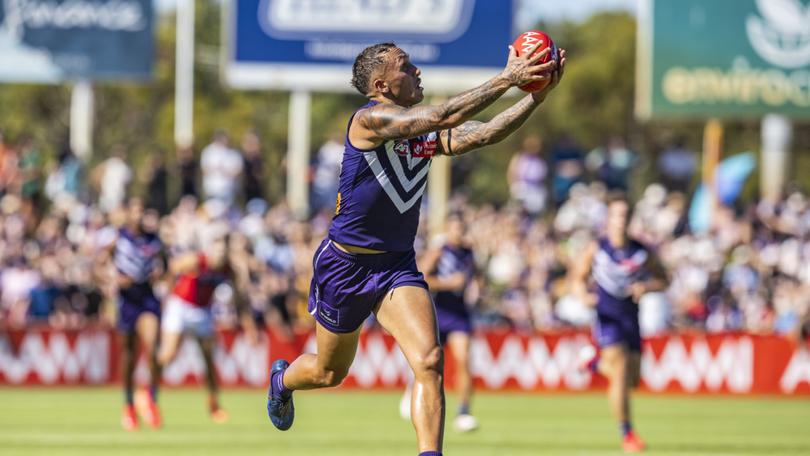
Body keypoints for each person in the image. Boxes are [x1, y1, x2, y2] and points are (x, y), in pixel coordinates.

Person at [266, 41, 565, 456]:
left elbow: (484, 133)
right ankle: (282, 382)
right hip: (345, 266)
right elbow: (442, 115)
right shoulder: (369, 120)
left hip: (396, 265)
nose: (418, 72)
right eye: (407, 67)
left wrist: (534, 98)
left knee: (429, 360)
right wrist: (506, 79)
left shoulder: (421, 135)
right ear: (381, 84)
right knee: (328, 372)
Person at [568, 193, 666, 453]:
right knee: (620, 371)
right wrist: (583, 296)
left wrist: (646, 286)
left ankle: (592, 362)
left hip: (631, 316)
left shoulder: (642, 251)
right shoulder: (597, 248)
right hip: (606, 315)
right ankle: (628, 434)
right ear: (608, 219)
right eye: (616, 215)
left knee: (632, 379)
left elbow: (664, 280)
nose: (620, 220)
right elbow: (577, 278)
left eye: (625, 215)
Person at [157, 235, 255, 423]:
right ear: (209, 250)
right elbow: (172, 268)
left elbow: (240, 299)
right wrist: (168, 297)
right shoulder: (195, 260)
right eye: (216, 251)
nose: (219, 256)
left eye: (222, 252)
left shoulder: (227, 270)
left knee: (209, 362)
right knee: (169, 354)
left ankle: (214, 404)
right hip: (181, 306)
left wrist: (248, 325)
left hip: (203, 311)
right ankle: (149, 394)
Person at [399, 213, 480, 433]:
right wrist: (447, 283)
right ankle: (412, 389)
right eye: (454, 228)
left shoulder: (469, 253)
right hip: (436, 312)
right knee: (429, 361)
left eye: (461, 228)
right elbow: (420, 276)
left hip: (460, 313)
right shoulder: (439, 251)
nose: (458, 232)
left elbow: (475, 278)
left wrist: (476, 289)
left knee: (464, 360)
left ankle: (464, 411)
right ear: (447, 229)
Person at [113, 198, 164, 431]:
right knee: (129, 355)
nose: (138, 215)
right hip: (127, 300)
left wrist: (160, 274)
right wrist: (112, 280)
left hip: (147, 297)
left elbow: (165, 265)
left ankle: (151, 399)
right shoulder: (118, 237)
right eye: (134, 210)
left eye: (141, 210)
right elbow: (98, 264)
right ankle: (129, 405)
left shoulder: (153, 239)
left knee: (153, 348)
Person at [507, 135, 548, 216]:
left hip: (535, 190)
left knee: (534, 212)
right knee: (518, 211)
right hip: (522, 187)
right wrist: (514, 187)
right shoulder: (519, 158)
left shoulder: (539, 161)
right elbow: (511, 173)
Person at [200, 131, 243, 205]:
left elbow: (238, 170)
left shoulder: (233, 153)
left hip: (228, 190)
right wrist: (215, 169)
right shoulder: (208, 152)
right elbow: (204, 170)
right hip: (212, 190)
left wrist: (226, 172)